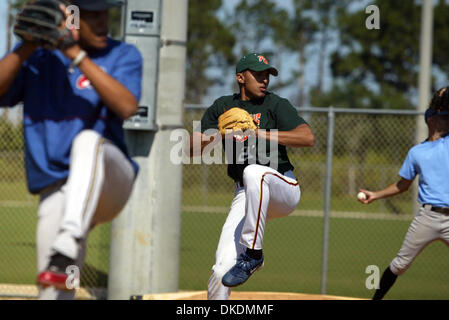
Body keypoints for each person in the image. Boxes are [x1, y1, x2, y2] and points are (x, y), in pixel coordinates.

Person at [0, 0, 142, 299]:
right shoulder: (38, 61)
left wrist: (75, 54)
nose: (103, 22)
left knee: (87, 141)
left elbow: (128, 107)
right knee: (53, 287)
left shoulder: (122, 54)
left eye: (105, 13)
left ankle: (68, 240)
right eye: (92, 16)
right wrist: (25, 46)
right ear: (71, 18)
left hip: (111, 181)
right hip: (61, 192)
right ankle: (64, 253)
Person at [188, 53, 315, 300]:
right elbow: (191, 150)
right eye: (258, 74)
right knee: (222, 271)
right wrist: (216, 135)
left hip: (282, 187)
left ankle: (253, 255)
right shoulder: (222, 106)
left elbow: (307, 137)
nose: (264, 79)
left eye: (267, 75)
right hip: (245, 193)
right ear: (240, 77)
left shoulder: (275, 104)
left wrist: (261, 134)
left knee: (254, 171)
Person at [358, 87, 449, 300]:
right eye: (443, 117)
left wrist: (442, 97)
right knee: (400, 265)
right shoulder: (417, 152)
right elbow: (402, 185)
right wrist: (375, 195)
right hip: (428, 217)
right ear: (431, 120)